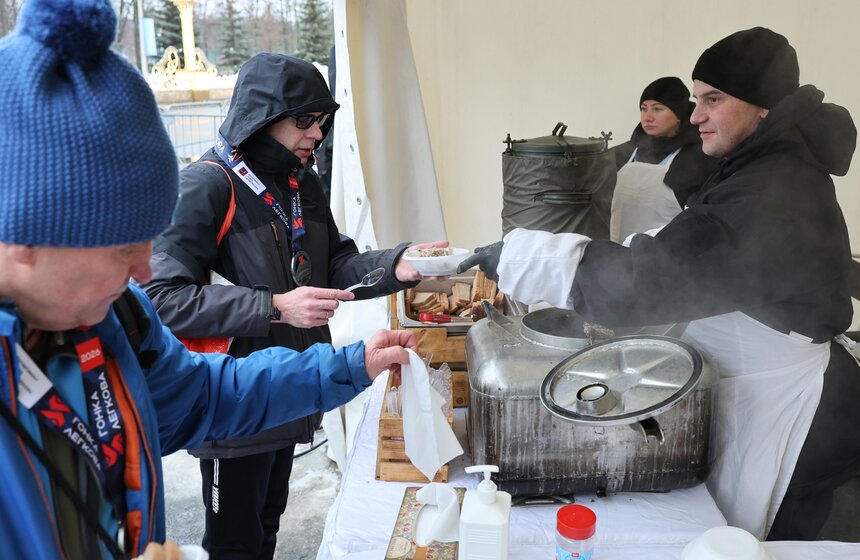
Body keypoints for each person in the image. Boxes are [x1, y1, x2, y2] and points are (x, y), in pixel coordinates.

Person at [0, 0, 418, 558]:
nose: (143, 271)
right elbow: (170, 295)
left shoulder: (119, 319)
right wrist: (274, 306)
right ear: (27, 237)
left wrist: (348, 365)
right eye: (124, 247)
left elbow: (206, 394)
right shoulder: (208, 190)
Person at [460, 27, 860, 541]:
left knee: (772, 543)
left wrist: (527, 256)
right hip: (753, 383)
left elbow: (651, 280)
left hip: (793, 408)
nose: (696, 116)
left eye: (713, 100)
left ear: (763, 107)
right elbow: (689, 244)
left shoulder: (774, 188)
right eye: (697, 99)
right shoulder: (757, 166)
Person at [142, 52, 444, 559]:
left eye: (321, 121)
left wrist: (398, 265)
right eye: (304, 121)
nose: (317, 134)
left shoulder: (301, 182)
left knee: (265, 532)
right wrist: (275, 306)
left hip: (292, 392)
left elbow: (335, 266)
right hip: (232, 407)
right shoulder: (207, 185)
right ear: (261, 118)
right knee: (235, 547)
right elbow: (160, 299)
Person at [609, 76, 717, 243]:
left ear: (679, 113)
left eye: (657, 109)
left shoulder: (699, 157)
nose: (648, 117)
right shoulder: (624, 153)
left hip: (668, 253)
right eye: (643, 109)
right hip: (616, 251)